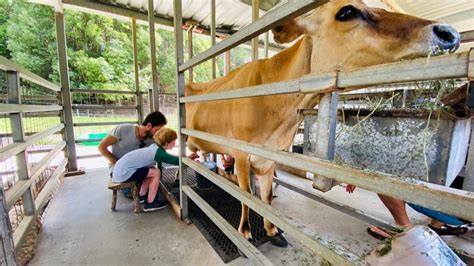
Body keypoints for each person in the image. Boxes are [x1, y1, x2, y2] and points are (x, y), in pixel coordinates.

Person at [112, 128, 198, 212]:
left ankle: (142, 195)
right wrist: (189, 158)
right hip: (123, 174)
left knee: (151, 169)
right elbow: (176, 161)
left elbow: (169, 157)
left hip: (119, 171)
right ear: (167, 143)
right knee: (156, 172)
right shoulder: (158, 153)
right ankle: (150, 203)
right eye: (174, 141)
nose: (175, 143)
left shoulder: (155, 147)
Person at [345, 185, 469, 239]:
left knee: (385, 183)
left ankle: (405, 230)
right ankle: (436, 227)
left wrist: (359, 176)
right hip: (464, 214)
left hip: (454, 212)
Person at [98, 111, 167, 197]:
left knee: (151, 186)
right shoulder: (122, 130)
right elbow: (101, 147)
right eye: (157, 130)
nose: (158, 133)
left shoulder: (153, 139)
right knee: (131, 192)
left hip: (139, 169)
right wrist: (118, 164)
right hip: (121, 170)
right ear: (149, 125)